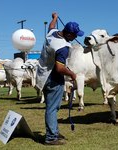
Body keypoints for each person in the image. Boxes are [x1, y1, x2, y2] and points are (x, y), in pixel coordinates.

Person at [36, 12, 84, 145]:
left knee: (51, 107)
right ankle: (51, 137)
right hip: (53, 78)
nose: (75, 38)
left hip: (42, 75)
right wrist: (72, 74)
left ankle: (54, 132)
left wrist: (54, 18)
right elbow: (59, 68)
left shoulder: (52, 33)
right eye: (74, 35)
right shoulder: (63, 47)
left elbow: (51, 26)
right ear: (68, 34)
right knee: (52, 108)